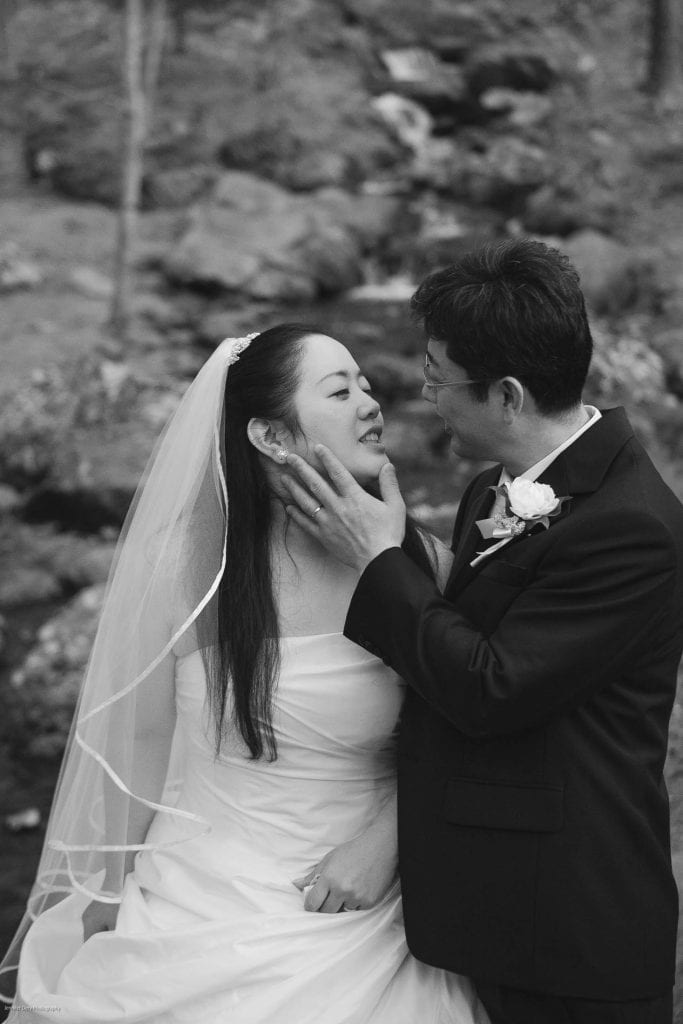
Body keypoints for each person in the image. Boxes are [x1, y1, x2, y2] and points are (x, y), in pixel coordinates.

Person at [1, 324, 489, 1024]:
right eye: (339, 389)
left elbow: (467, 718)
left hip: (362, 904)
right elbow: (139, 740)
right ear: (271, 436)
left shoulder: (420, 565)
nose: (371, 403)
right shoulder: (185, 568)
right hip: (194, 890)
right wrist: (109, 893)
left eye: (366, 383)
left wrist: (390, 837)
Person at [283, 239, 683, 1024]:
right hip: (486, 907)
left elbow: (488, 688)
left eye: (438, 377)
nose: (425, 394)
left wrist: (373, 558)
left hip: (570, 931)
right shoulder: (490, 489)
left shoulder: (634, 527)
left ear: (505, 395)